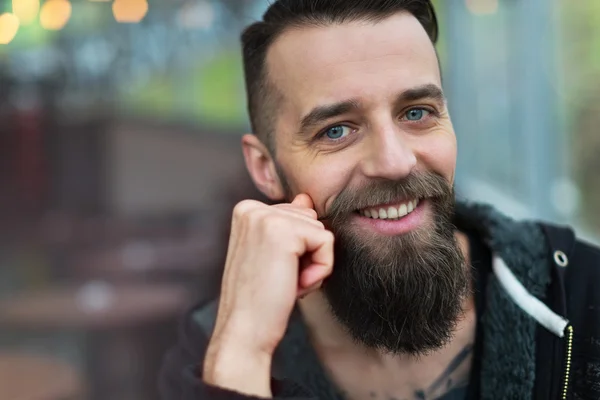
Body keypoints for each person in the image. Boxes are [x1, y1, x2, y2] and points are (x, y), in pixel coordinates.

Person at [159, 1, 600, 399]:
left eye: (416, 113)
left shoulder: (583, 297)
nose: (394, 162)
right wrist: (246, 349)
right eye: (336, 130)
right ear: (265, 168)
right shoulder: (209, 360)